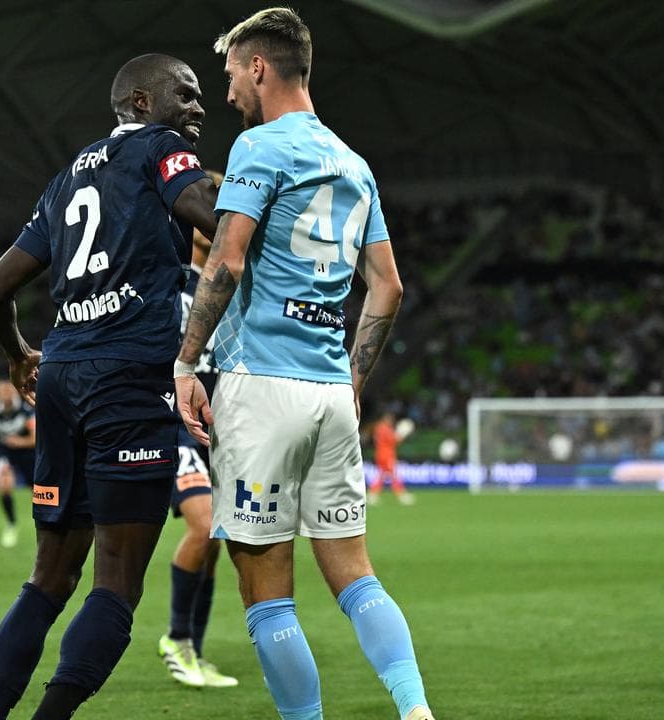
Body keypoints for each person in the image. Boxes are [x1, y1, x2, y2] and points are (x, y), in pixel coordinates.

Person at [175, 8, 435, 720]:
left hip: (261, 388)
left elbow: (225, 261)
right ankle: (415, 710)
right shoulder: (355, 164)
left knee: (267, 591)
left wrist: (184, 362)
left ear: (258, 66)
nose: (226, 92)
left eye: (230, 74)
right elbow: (388, 285)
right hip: (329, 395)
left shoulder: (259, 148)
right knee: (356, 577)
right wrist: (352, 382)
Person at [0, 52, 218, 720]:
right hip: (130, 379)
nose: (199, 107)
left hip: (59, 378)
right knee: (116, 582)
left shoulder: (63, 180)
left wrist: (21, 354)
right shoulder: (162, 151)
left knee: (49, 577)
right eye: (186, 94)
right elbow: (204, 209)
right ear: (141, 103)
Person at [157, 171, 239, 689]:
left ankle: (196, 650)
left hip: (219, 423)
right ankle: (175, 639)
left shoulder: (230, 282)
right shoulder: (167, 277)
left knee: (216, 538)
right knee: (203, 523)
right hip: (174, 421)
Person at [0, 378, 36, 548]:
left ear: (15, 392)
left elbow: (35, 438)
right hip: (5, 451)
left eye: (9, 391)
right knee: (4, 482)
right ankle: (11, 524)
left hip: (27, 452)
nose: (5, 395)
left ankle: (41, 525)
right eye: (2, 392)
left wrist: (18, 442)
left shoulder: (26, 410)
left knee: (36, 492)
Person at [369, 409, 413, 506]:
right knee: (393, 475)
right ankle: (402, 495)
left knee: (381, 476)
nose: (391, 421)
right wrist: (403, 433)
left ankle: (372, 495)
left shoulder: (378, 427)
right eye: (390, 419)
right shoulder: (385, 429)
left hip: (380, 454)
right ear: (386, 418)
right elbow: (395, 440)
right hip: (387, 455)